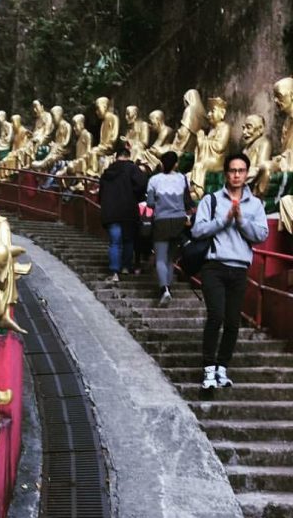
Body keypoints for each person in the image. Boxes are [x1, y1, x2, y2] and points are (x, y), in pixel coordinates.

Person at [191, 152, 269, 390]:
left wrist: (241, 221)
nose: (236, 175)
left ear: (247, 174)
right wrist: (224, 220)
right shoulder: (211, 200)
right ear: (226, 173)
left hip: (239, 268)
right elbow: (197, 231)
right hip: (214, 266)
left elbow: (262, 234)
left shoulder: (255, 204)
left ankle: (222, 367)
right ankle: (208, 368)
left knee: (233, 322)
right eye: (232, 170)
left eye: (241, 171)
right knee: (216, 316)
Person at [146, 151, 192, 306]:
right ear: (176, 164)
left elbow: (150, 203)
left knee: (160, 257)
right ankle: (169, 288)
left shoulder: (154, 180)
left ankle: (164, 289)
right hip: (179, 220)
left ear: (161, 163)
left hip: (162, 221)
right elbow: (188, 201)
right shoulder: (182, 179)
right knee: (171, 259)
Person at [99, 146, 148, 282]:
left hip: (111, 211)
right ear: (128, 156)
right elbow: (142, 184)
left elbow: (101, 192)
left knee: (115, 242)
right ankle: (126, 267)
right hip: (128, 210)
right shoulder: (132, 169)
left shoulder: (107, 172)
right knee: (128, 240)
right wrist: (135, 195)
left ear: (116, 157)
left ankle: (114, 272)